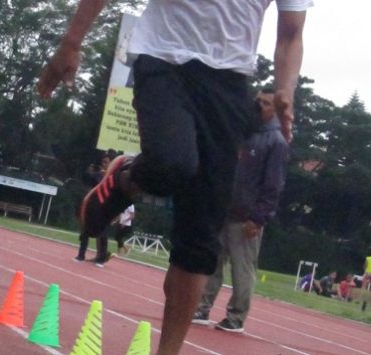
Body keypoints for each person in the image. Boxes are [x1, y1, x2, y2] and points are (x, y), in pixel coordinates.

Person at [38, 0, 310, 351]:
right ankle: (126, 179)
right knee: (172, 162)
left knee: (200, 238)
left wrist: (286, 87)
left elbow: (291, 33)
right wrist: (72, 41)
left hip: (228, 83)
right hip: (164, 58)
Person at [191, 90, 289, 332]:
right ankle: (202, 307)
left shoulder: (276, 141)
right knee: (212, 263)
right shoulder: (242, 131)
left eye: (266, 103)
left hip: (247, 217)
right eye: (258, 100)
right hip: (224, 209)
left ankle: (236, 318)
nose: (259, 106)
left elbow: (273, 185)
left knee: (241, 269)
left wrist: (258, 217)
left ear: (275, 110)